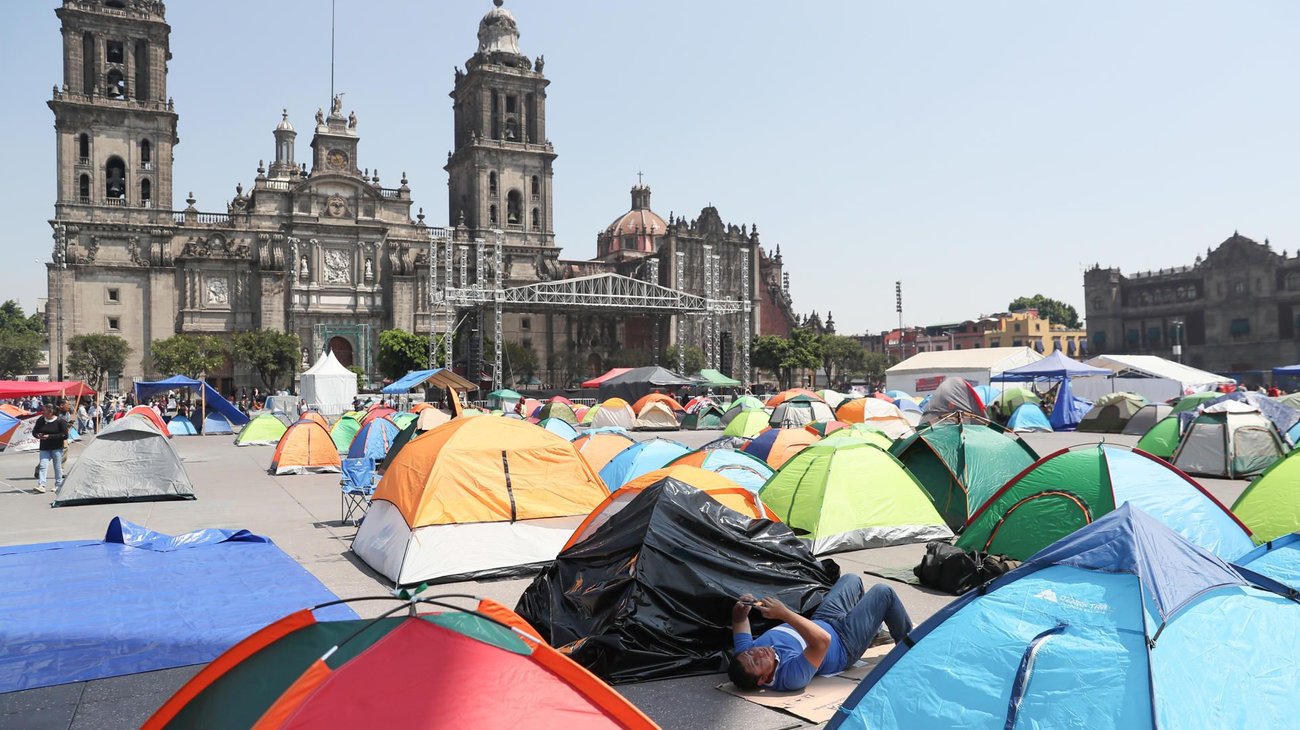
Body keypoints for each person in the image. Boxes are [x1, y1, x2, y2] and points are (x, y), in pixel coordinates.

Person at [728, 575, 912, 692]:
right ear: (762, 680)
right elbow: (822, 641)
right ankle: (911, 648)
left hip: (823, 619)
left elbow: (738, 621)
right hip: (844, 642)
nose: (758, 652)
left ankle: (871, 629)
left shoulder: (745, 655)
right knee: (883, 592)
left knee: (851, 579)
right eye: (758, 661)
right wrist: (783, 614)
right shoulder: (790, 677)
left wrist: (742, 607)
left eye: (750, 652)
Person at [32, 402, 70, 493]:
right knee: (43, 465)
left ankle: (58, 485)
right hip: (44, 447)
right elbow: (34, 431)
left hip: (56, 447)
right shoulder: (41, 420)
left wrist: (49, 436)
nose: (42, 412)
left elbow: (64, 435)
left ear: (50, 412)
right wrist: (38, 435)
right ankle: (41, 485)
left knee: (57, 466)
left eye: (44, 411)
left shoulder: (60, 421)